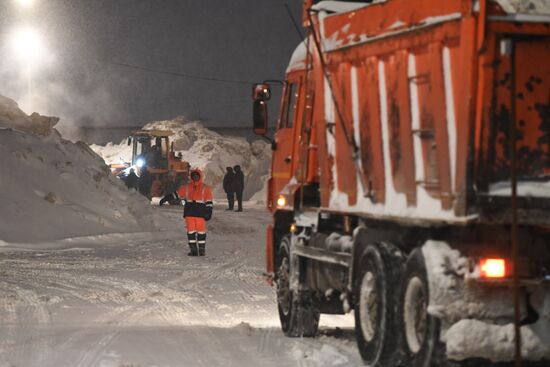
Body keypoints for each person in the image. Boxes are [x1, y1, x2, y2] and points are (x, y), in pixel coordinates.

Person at [159, 168, 213, 256]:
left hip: (199, 213)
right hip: (190, 213)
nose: (195, 177)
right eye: (194, 176)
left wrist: (209, 211)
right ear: (191, 177)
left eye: (197, 176)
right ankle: (194, 250)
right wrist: (165, 198)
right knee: (191, 232)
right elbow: (176, 195)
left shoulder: (206, 188)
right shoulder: (186, 187)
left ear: (200, 176)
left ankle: (202, 250)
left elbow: (209, 201)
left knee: (201, 232)